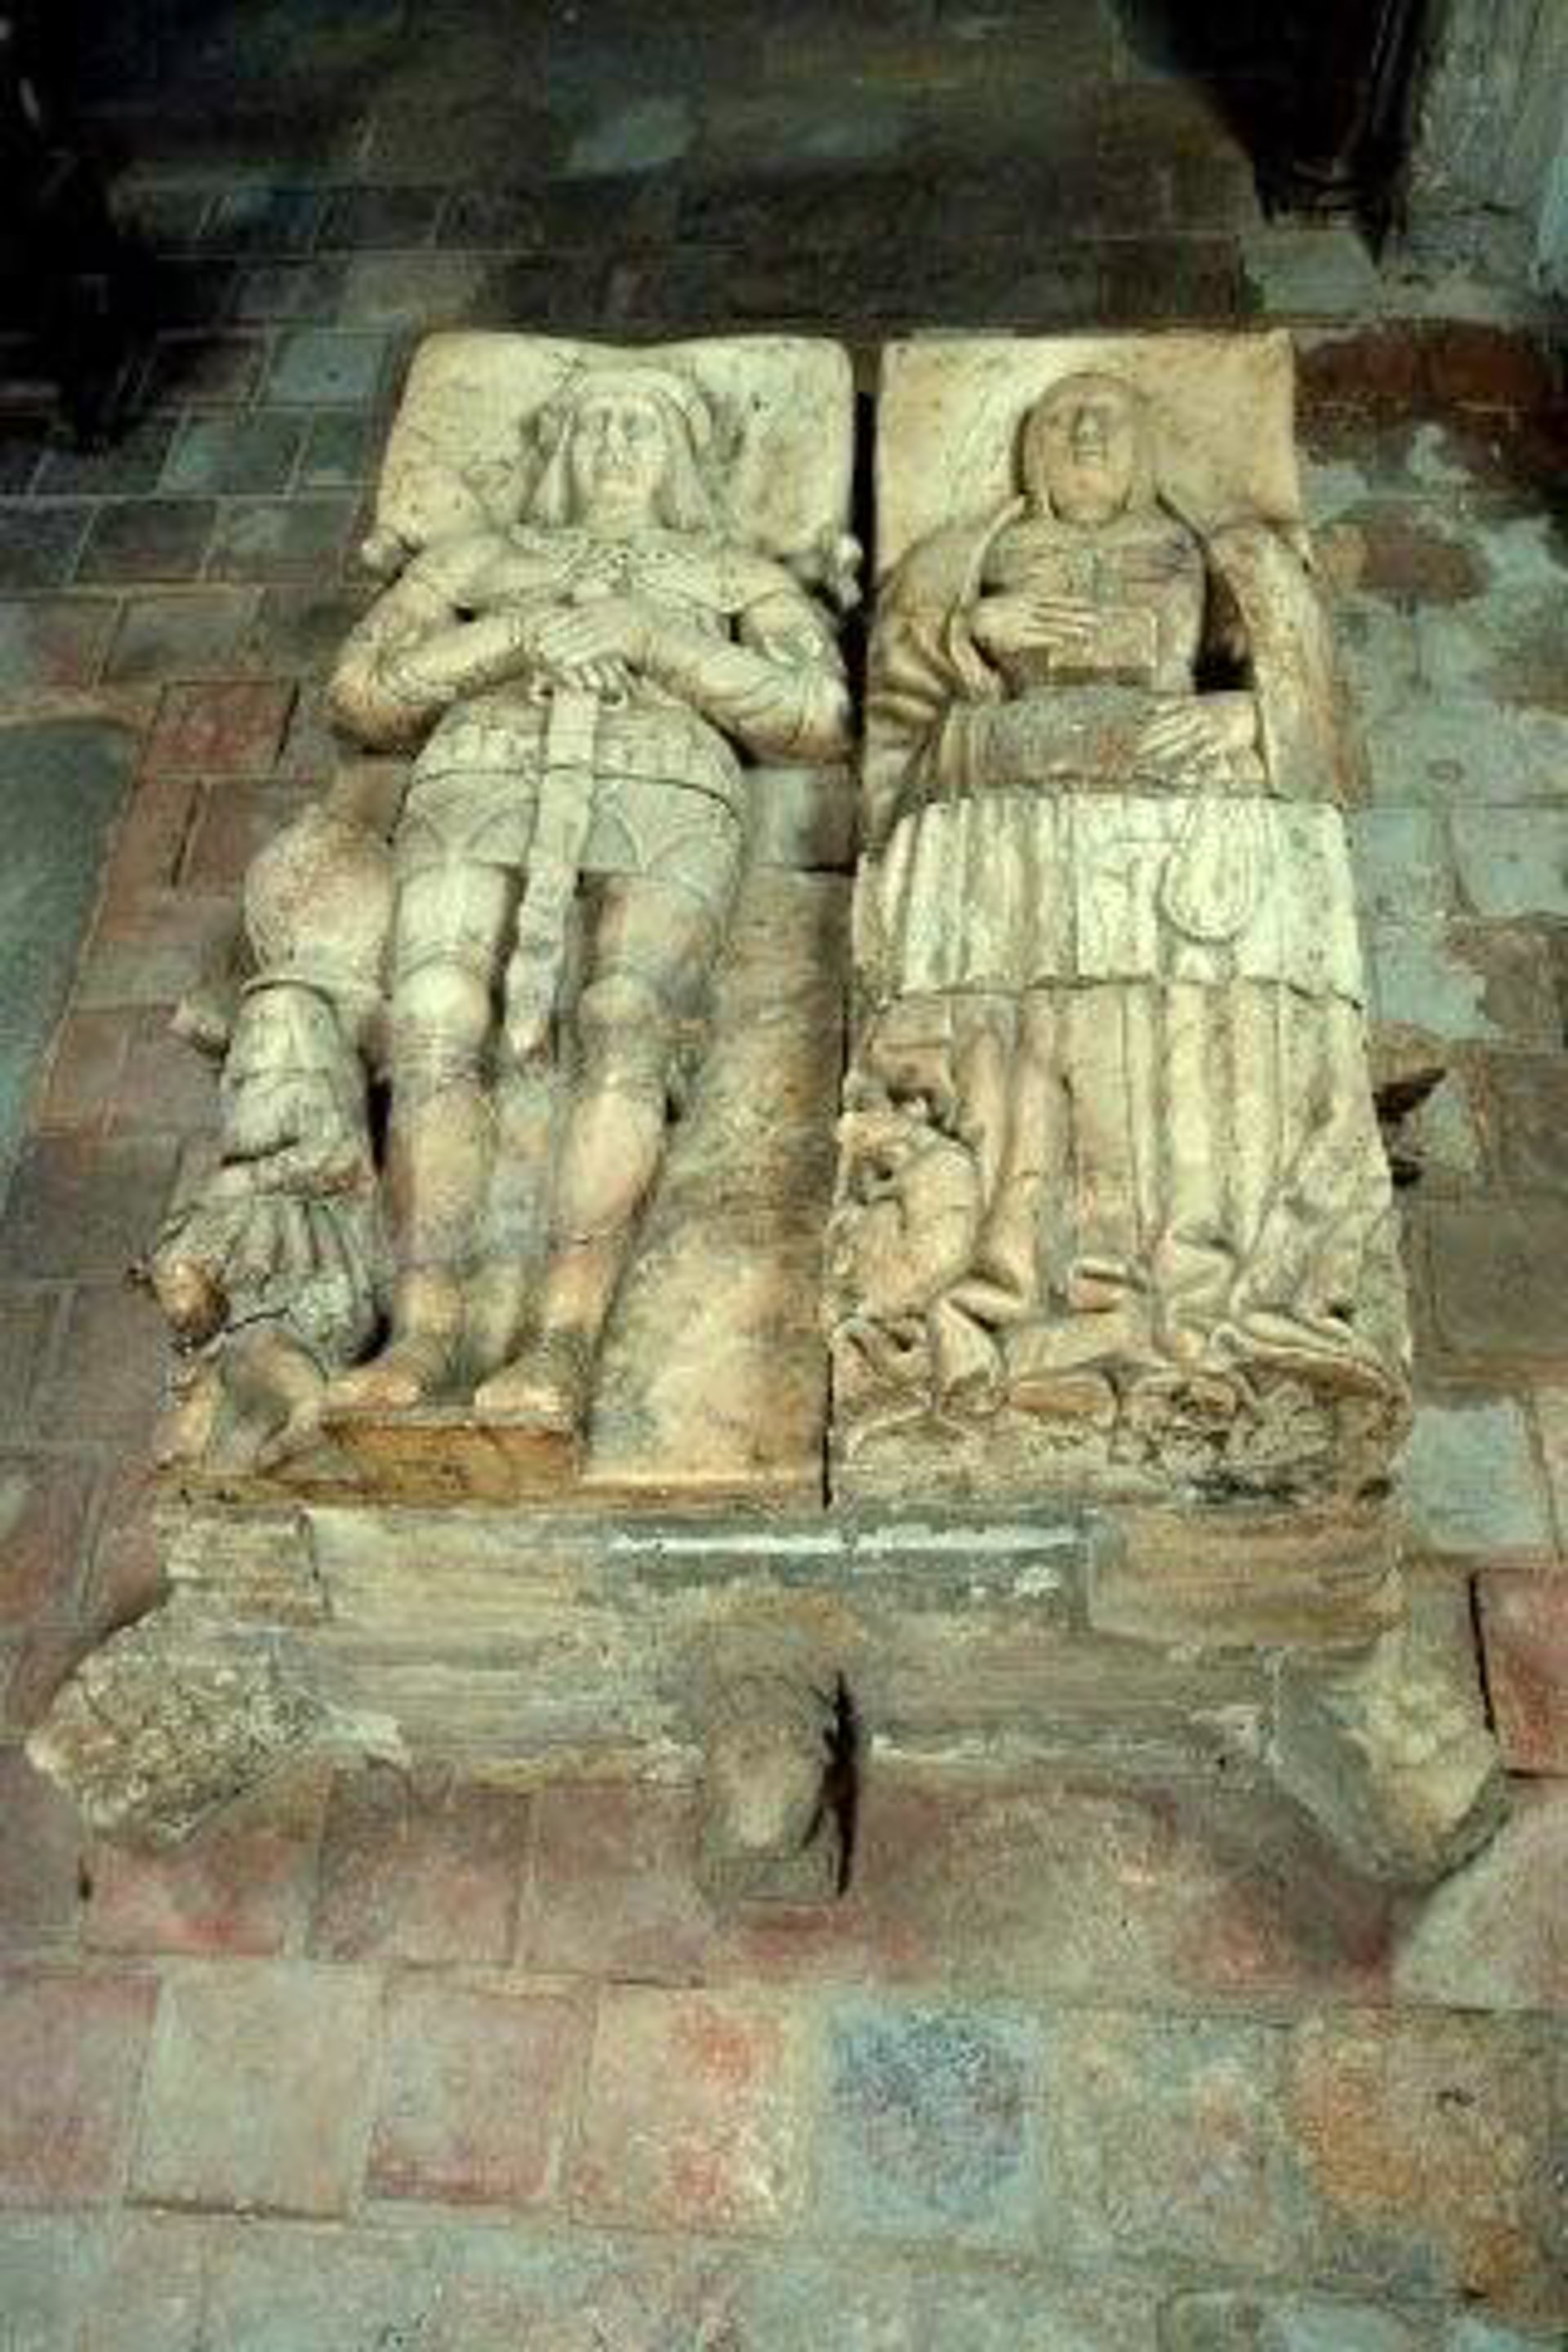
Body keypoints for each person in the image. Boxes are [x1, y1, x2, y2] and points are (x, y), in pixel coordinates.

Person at [835, 370, 1405, 1477]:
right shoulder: (972, 554)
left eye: (1111, 416)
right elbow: (897, 717)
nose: (1089, 429)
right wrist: (970, 634)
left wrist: (1247, 718)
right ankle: (1024, 1294)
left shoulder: (1206, 547)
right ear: (1029, 452)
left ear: (1148, 451)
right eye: (1063, 418)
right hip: (1013, 818)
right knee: (1026, 1054)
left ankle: (1197, 1294)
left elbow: (1298, 679)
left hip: (1179, 825)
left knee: (1185, 1046)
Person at [323, 361, 850, 1434]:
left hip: (668, 788)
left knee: (625, 1019)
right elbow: (362, 693)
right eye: (596, 423)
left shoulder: (734, 572)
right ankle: (423, 1331)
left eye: (640, 427)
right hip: (479, 772)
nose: (615, 444)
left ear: (681, 459)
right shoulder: (478, 560)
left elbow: (815, 713)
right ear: (560, 449)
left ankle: (565, 1338)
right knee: (431, 1020)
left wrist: (651, 637)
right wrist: (513, 637)